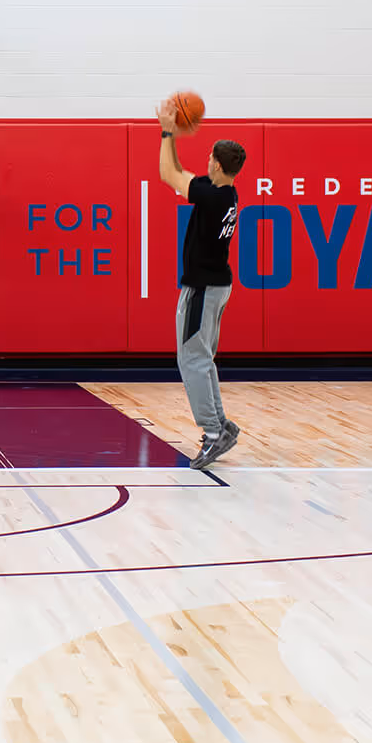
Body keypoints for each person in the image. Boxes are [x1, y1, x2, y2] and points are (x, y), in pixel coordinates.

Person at [156, 102, 247, 470]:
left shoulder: (210, 196)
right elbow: (179, 172)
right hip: (218, 285)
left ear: (218, 166)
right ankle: (221, 425)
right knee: (202, 358)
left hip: (203, 288)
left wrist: (166, 131)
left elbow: (167, 175)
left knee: (191, 360)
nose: (206, 159)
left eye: (210, 156)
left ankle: (212, 434)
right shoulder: (225, 191)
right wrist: (175, 138)